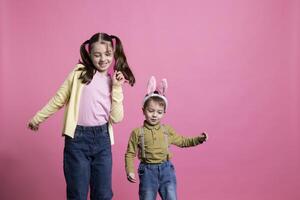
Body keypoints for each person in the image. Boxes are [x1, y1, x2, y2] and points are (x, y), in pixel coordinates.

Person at [28, 32, 135, 200]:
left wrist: (117, 88)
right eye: (97, 55)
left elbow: (117, 118)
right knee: (77, 193)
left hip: (102, 141)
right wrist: (38, 118)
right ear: (89, 54)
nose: (103, 60)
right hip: (77, 140)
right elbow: (58, 99)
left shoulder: (112, 80)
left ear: (113, 54)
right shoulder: (78, 74)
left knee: (103, 194)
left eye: (107, 54)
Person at [125, 76, 207, 200]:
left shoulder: (166, 130)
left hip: (166, 170)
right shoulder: (137, 132)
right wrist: (130, 170)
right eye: (151, 111)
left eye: (159, 112)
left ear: (164, 112)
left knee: (171, 197)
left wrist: (198, 139)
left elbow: (183, 141)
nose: (154, 115)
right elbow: (130, 153)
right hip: (147, 171)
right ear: (143, 110)